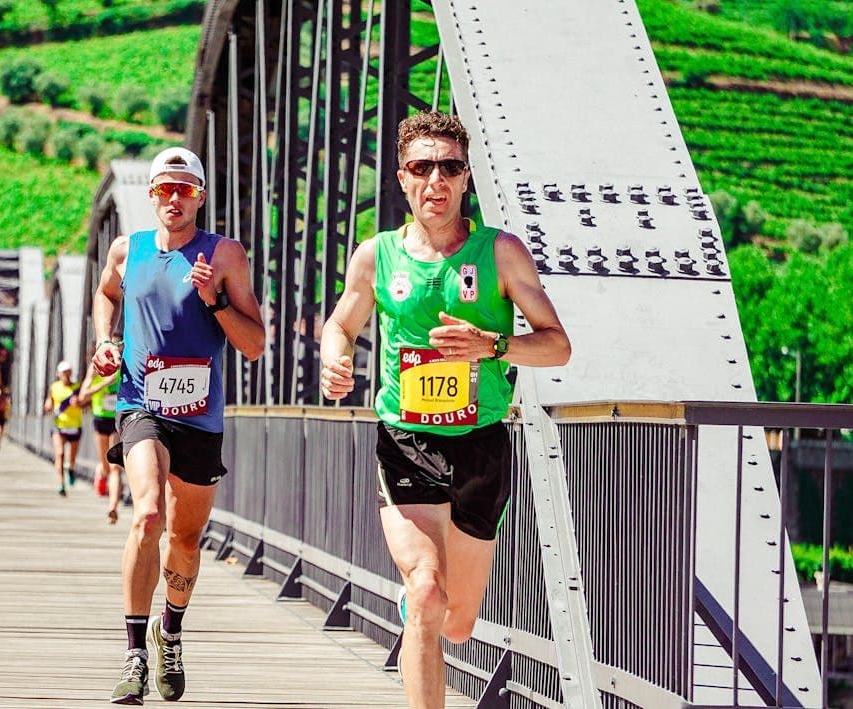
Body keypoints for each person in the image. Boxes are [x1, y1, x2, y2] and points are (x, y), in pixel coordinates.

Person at [318, 112, 571, 709]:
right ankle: (418, 607)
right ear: (402, 179)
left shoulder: (500, 252)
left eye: (449, 167)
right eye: (421, 167)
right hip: (405, 441)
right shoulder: (376, 256)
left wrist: (495, 346)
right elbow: (341, 324)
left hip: (481, 445)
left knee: (457, 621)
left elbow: (557, 345)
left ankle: (421, 610)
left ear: (465, 180)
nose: (435, 179)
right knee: (428, 595)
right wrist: (336, 359)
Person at [90, 146, 265, 704]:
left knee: (185, 540)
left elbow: (256, 345)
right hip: (141, 403)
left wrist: (212, 300)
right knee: (147, 515)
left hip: (200, 418)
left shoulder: (226, 254)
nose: (173, 198)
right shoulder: (128, 250)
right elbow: (103, 294)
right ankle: (134, 653)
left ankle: (172, 631)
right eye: (164, 188)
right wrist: (105, 342)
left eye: (185, 189)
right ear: (150, 195)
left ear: (201, 196)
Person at [79, 366, 122, 522]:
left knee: (115, 467)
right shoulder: (95, 370)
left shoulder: (123, 367)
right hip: (100, 420)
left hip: (118, 420)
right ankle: (100, 471)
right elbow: (83, 396)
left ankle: (113, 507)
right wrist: (106, 383)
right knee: (105, 466)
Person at [43, 360, 82, 496]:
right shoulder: (54, 387)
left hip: (74, 426)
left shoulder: (77, 387)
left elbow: (85, 403)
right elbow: (49, 402)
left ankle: (70, 469)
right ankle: (61, 483)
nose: (66, 374)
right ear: (58, 374)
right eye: (63, 372)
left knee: (71, 457)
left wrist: (79, 403)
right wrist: (48, 406)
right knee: (59, 454)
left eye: (68, 371)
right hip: (59, 426)